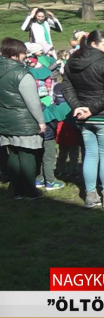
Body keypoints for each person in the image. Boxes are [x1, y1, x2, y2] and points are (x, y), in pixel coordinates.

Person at [61, 30, 104, 209]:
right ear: (94, 44)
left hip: (84, 117)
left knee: (89, 154)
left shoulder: (71, 61)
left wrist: (78, 107)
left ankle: (90, 196)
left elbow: (66, 87)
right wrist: (88, 109)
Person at [0, 38, 46, 200]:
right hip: (23, 120)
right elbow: (33, 102)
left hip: (4, 119)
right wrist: (41, 121)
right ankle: (30, 190)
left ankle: (17, 190)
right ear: (15, 54)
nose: (25, 56)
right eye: (23, 53)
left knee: (13, 152)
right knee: (27, 154)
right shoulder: (21, 74)